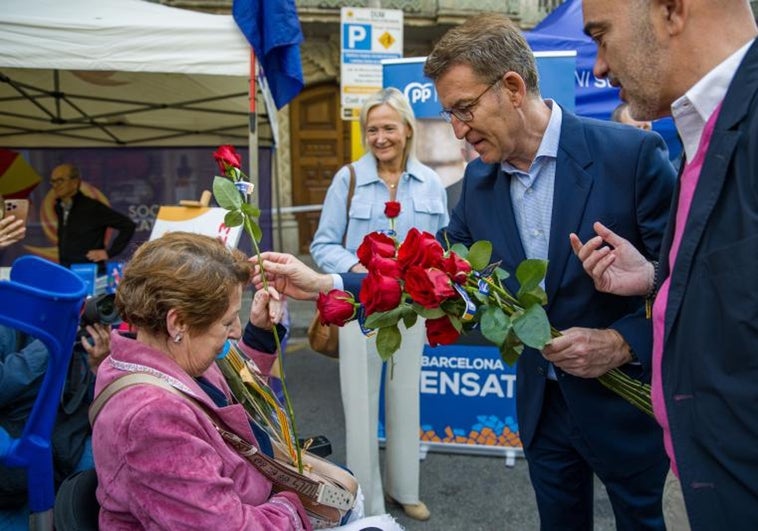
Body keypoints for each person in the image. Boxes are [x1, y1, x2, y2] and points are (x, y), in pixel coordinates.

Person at [257, 13, 677, 530]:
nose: (457, 130)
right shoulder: (477, 183)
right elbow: (427, 274)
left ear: (513, 88)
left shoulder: (630, 156)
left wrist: (622, 342)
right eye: (449, 114)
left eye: (464, 109)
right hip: (543, 407)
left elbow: (686, 285)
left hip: (624, 404)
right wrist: (328, 284)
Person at [573, 1, 758, 529]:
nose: (601, 65)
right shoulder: (707, 127)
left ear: (671, 10)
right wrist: (661, 277)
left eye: (602, 35)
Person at [90, 232, 399, 530]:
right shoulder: (152, 419)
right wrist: (293, 504)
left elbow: (227, 401)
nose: (236, 331)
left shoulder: (160, 354)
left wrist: (260, 335)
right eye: (227, 321)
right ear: (178, 322)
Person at [310, 87, 448, 520]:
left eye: (388, 127)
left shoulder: (430, 183)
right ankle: (365, 498)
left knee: (407, 398)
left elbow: (442, 247)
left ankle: (405, 490)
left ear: (407, 129)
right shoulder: (347, 178)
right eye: (372, 129)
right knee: (360, 402)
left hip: (412, 311)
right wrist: (361, 270)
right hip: (359, 310)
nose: (380, 137)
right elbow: (322, 244)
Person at [0, 219, 111, 530]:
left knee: (107, 462)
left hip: (65, 433)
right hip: (19, 439)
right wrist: (51, 343)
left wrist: (99, 367)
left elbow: (87, 405)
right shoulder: (11, 319)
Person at [50, 163, 135, 273]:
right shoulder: (59, 207)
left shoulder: (92, 207)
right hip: (67, 271)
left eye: (60, 180)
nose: (56, 185)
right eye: (53, 181)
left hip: (90, 273)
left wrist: (109, 252)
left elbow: (128, 225)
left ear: (75, 182)